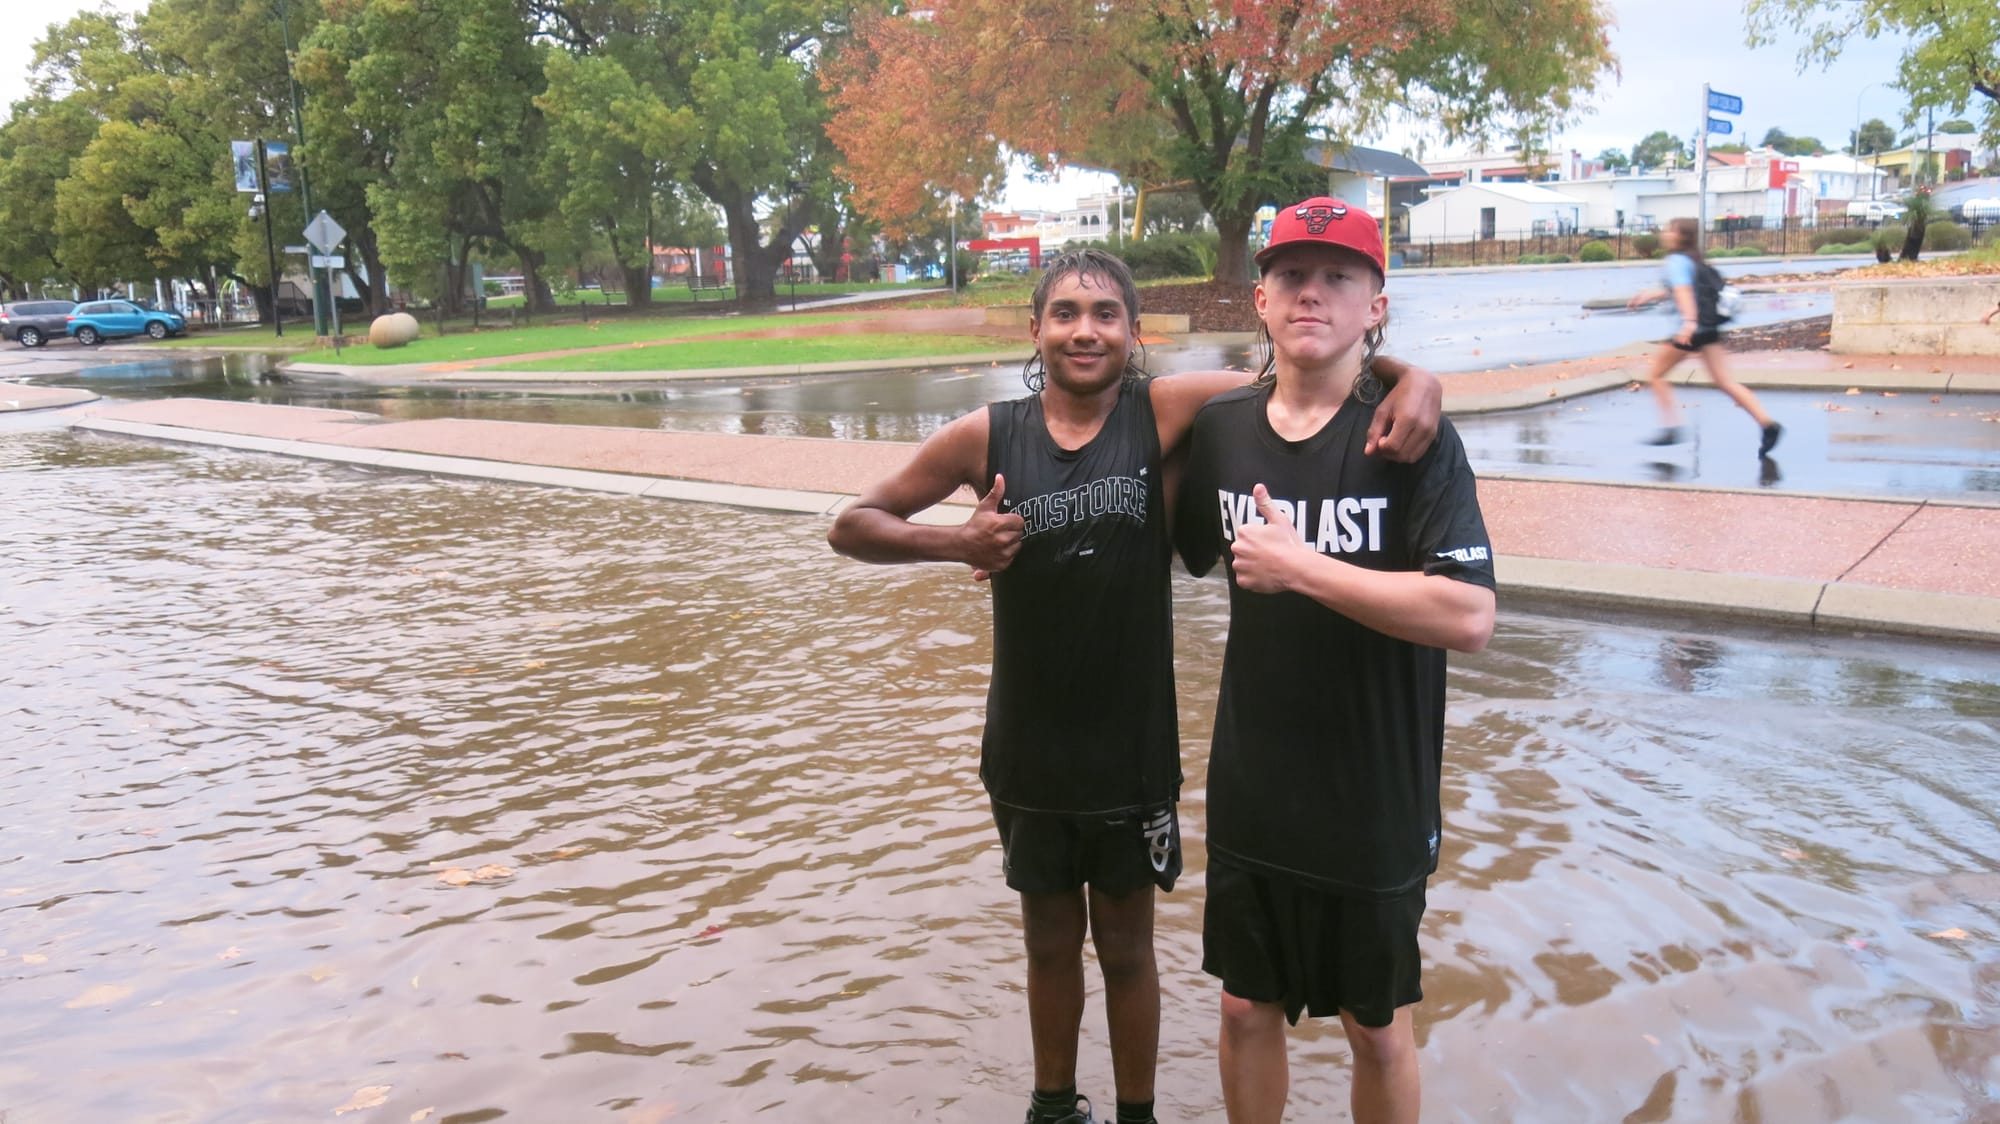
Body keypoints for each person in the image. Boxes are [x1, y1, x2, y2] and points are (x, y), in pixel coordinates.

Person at [826, 246, 1443, 1124]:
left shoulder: (1164, 411)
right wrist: (956, 544)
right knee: (1046, 945)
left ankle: (1136, 1114)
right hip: (1028, 745)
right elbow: (853, 524)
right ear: (1034, 330)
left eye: (1106, 314)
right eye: (1066, 313)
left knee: (1127, 950)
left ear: (1135, 332)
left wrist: (1412, 375)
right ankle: (1051, 1108)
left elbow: (1291, 362)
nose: (1086, 330)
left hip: (1131, 747)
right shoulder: (988, 433)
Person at [1172, 198, 1497, 1124]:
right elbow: (1173, 533)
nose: (1312, 293)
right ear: (1261, 301)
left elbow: (1469, 616)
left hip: (1374, 792)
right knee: (1243, 1007)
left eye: (1338, 277)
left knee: (1376, 1026)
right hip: (1256, 782)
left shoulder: (1412, 438)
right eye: (1291, 277)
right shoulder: (1225, 431)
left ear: (1375, 305)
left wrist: (1306, 570)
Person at [1626, 216, 1782, 456]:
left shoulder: (1676, 261)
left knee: (1655, 375)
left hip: (1691, 331)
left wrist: (1688, 324)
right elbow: (1676, 289)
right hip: (1709, 328)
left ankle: (1671, 427)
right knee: (1724, 381)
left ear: (1680, 235)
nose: (1664, 234)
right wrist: (1647, 296)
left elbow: (1683, 291)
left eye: (1669, 230)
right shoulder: (1694, 260)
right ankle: (1768, 424)